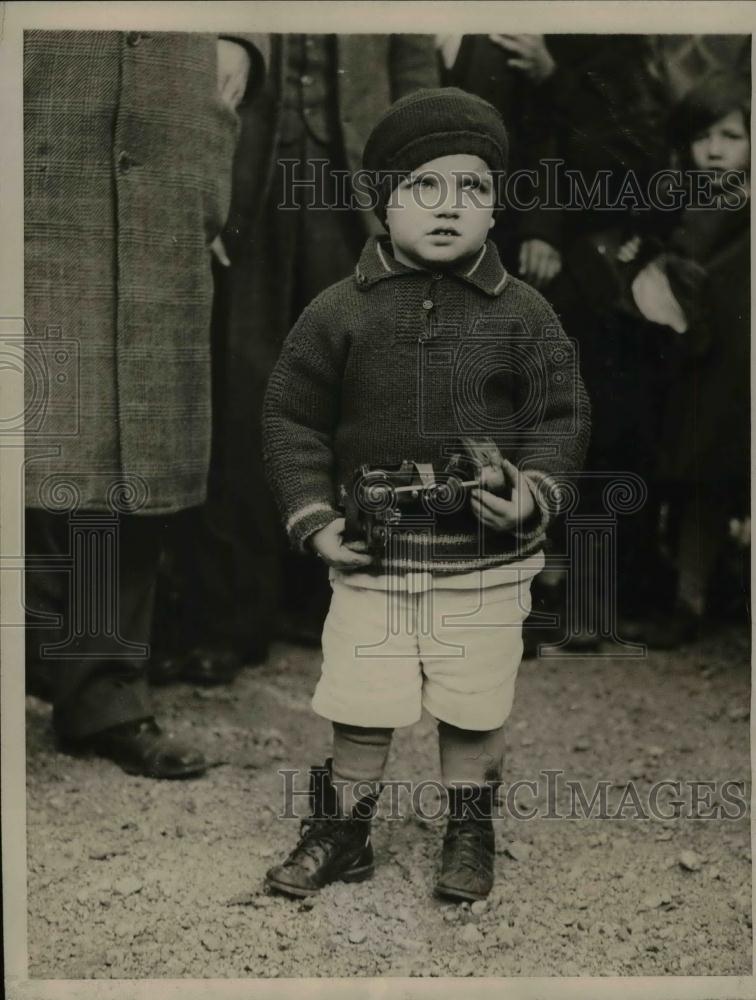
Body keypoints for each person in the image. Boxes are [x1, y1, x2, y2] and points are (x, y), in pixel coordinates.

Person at [261, 88, 591, 901]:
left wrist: (534, 494)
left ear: (495, 204)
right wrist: (316, 519)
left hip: (486, 563)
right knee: (362, 698)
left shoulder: (524, 313)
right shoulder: (340, 312)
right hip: (375, 555)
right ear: (382, 200)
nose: (450, 208)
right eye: (424, 188)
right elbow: (292, 418)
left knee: (475, 701)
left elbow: (560, 413)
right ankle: (344, 830)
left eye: (472, 188)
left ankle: (468, 827)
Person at [149, 34, 440, 684]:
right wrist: (202, 186)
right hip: (249, 191)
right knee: (244, 400)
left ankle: (363, 609)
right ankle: (230, 620)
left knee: (368, 403)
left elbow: (416, 65)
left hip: (358, 194)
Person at [24, 30, 269, 777]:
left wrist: (243, 38)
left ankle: (102, 692)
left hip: (168, 111)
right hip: (43, 99)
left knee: (129, 429)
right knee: (32, 415)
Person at [615, 72, 750, 646]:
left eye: (732, 135)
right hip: (702, 362)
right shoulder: (678, 202)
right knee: (697, 474)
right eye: (703, 138)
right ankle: (690, 599)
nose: (716, 150)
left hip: (737, 360)